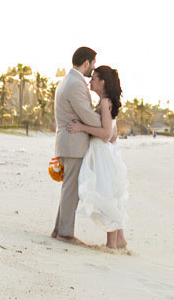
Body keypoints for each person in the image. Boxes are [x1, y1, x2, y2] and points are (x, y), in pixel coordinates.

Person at [66, 64, 129, 251]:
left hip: (103, 154)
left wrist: (81, 128)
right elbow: (114, 132)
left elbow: (107, 133)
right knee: (110, 194)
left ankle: (112, 243)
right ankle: (120, 239)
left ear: (102, 82)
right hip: (105, 152)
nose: (90, 81)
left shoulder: (104, 102)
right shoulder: (105, 101)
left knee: (106, 194)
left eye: (93, 78)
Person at [50, 47, 102, 247]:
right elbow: (86, 114)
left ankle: (58, 229)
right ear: (87, 62)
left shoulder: (66, 80)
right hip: (73, 143)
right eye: (94, 63)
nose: (94, 68)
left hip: (68, 142)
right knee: (72, 189)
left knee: (68, 188)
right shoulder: (75, 84)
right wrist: (105, 123)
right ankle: (65, 233)